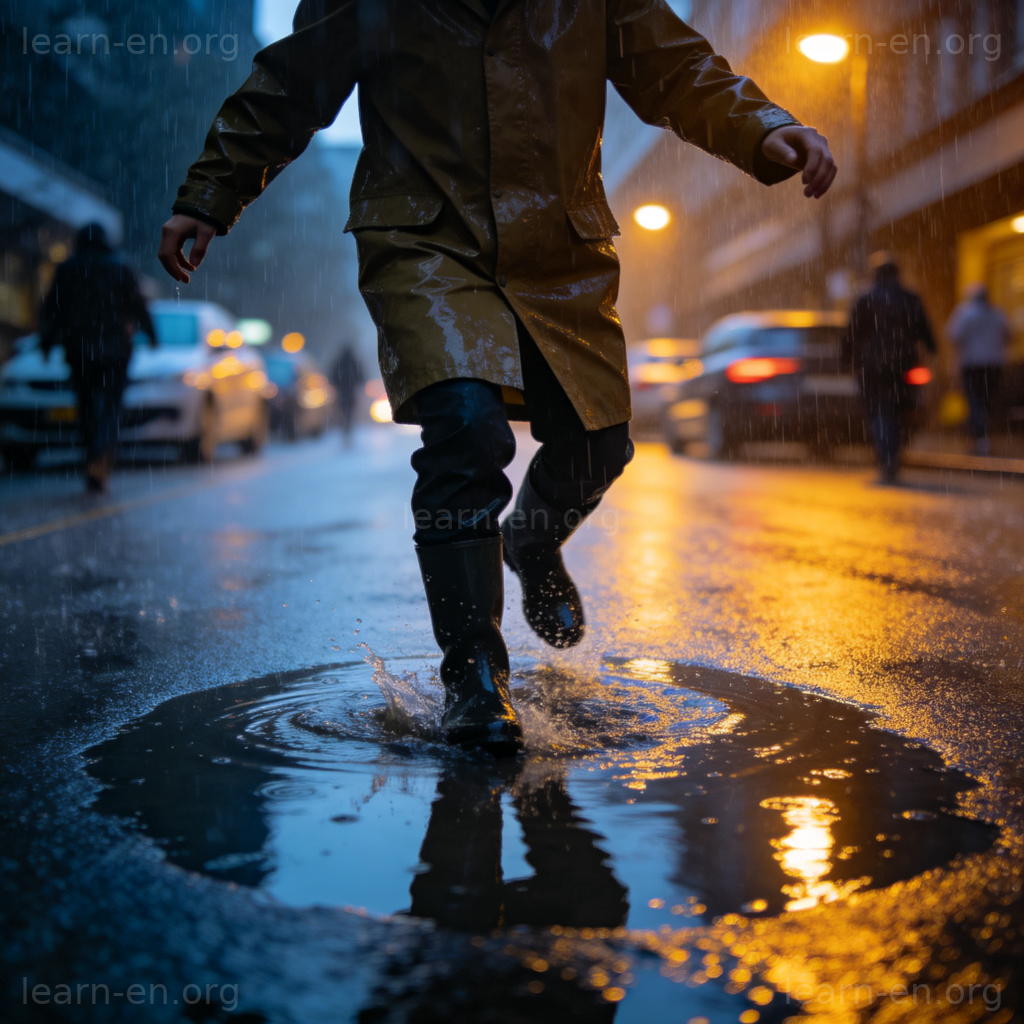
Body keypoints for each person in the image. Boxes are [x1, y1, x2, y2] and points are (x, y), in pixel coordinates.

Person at [158, 1, 836, 756]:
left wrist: (763, 125)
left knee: (598, 442)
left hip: (557, 247)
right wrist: (209, 195)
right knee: (465, 426)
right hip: (424, 239)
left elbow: (675, 68)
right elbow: (289, 86)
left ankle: (533, 544)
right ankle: (474, 672)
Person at [40, 223, 156, 493]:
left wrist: (47, 342)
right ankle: (101, 455)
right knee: (111, 405)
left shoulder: (68, 269)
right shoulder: (120, 267)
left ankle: (92, 453)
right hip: (115, 350)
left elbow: (52, 309)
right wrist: (152, 335)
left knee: (87, 405)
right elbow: (138, 305)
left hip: (79, 349)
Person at [846, 252, 936, 485]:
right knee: (900, 408)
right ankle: (892, 451)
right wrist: (931, 347)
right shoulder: (910, 298)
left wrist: (847, 359)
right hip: (903, 362)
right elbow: (924, 328)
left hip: (872, 365)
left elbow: (851, 334)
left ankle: (886, 456)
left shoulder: (865, 299)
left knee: (878, 411)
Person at [945, 284, 1010, 455]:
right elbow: (1008, 334)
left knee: (974, 400)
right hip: (993, 363)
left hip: (972, 364)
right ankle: (984, 436)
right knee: (987, 399)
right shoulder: (997, 313)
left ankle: (980, 437)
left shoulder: (965, 313)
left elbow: (953, 335)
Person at [328, 342, 364, 442]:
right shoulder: (354, 362)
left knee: (343, 412)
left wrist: (337, 386)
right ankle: (348, 429)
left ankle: (345, 430)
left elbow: (332, 376)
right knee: (349, 413)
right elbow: (361, 376)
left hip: (341, 393)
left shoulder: (339, 362)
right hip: (351, 393)